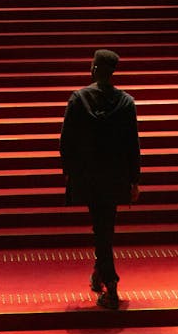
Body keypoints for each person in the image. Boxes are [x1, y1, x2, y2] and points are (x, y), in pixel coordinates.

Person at [60, 49, 141, 309]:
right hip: (115, 176)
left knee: (101, 227)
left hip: (89, 175)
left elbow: (66, 141)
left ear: (93, 69)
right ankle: (100, 274)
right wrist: (134, 179)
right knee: (105, 226)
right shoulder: (126, 102)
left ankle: (110, 281)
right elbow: (132, 144)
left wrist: (70, 172)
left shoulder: (78, 99)